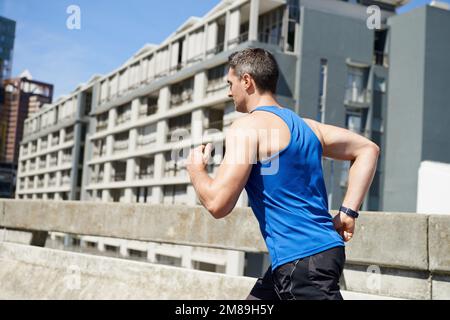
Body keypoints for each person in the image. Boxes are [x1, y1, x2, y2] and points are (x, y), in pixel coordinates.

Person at [186, 48, 379, 300]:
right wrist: (348, 213)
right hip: (310, 255)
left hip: (302, 262)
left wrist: (196, 170)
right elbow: (368, 149)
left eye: (230, 83)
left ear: (247, 81)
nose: (228, 91)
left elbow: (217, 203)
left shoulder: (247, 128)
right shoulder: (309, 127)